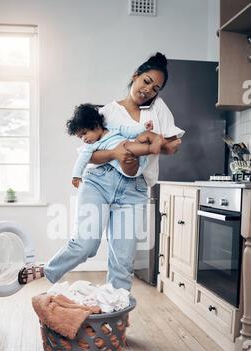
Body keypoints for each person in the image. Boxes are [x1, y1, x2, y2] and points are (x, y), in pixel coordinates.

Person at [18, 52, 184, 291]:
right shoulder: (108, 112)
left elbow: (173, 146)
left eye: (156, 88)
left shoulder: (158, 109)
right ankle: (48, 269)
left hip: (134, 190)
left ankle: (116, 318)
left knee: (123, 261)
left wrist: (152, 147)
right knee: (85, 245)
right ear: (135, 76)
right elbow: (88, 154)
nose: (149, 90)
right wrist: (118, 152)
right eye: (146, 81)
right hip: (100, 182)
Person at [67, 102, 164, 187]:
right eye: (80, 137)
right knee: (126, 146)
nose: (84, 139)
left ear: (95, 125)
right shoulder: (90, 147)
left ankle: (165, 142)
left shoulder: (112, 128)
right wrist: (76, 175)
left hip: (139, 157)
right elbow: (81, 161)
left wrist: (143, 127)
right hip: (127, 165)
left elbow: (129, 131)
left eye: (84, 133)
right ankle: (151, 149)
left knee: (144, 136)